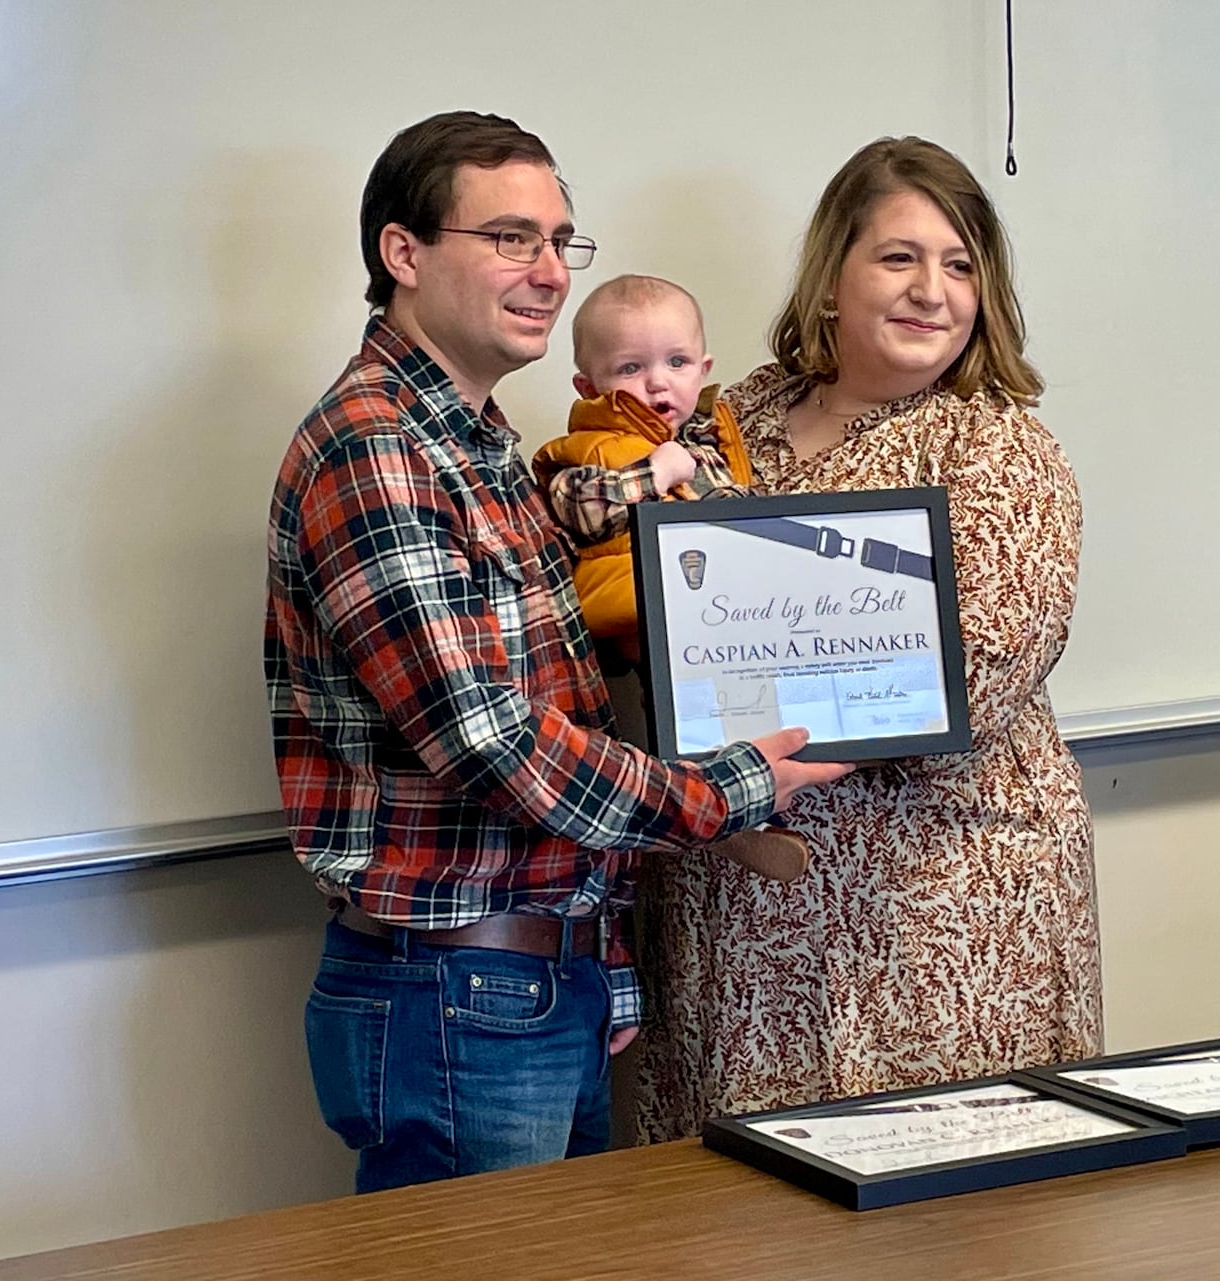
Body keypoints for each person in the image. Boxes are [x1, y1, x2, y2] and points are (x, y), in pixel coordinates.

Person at [263, 110, 850, 1193]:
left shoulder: (484, 445)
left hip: (539, 981)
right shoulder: (377, 447)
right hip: (453, 994)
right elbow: (490, 743)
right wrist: (724, 789)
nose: (545, 272)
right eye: (508, 238)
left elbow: (567, 711)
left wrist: (602, 959)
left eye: (557, 240)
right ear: (404, 253)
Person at [635, 136, 1102, 1142]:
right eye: (898, 257)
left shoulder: (992, 443)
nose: (931, 290)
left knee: (941, 1213)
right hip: (741, 914)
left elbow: (981, 659)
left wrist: (756, 758)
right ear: (833, 274)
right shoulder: (731, 417)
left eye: (960, 264)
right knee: (745, 1220)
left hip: (936, 912)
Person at [529, 273, 809, 882]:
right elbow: (578, 508)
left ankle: (755, 815)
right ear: (588, 384)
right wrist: (650, 476)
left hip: (721, 614)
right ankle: (710, 809)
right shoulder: (588, 447)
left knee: (746, 697)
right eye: (631, 367)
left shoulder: (713, 444)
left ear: (702, 368)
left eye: (677, 361)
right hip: (640, 614)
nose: (658, 381)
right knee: (674, 708)